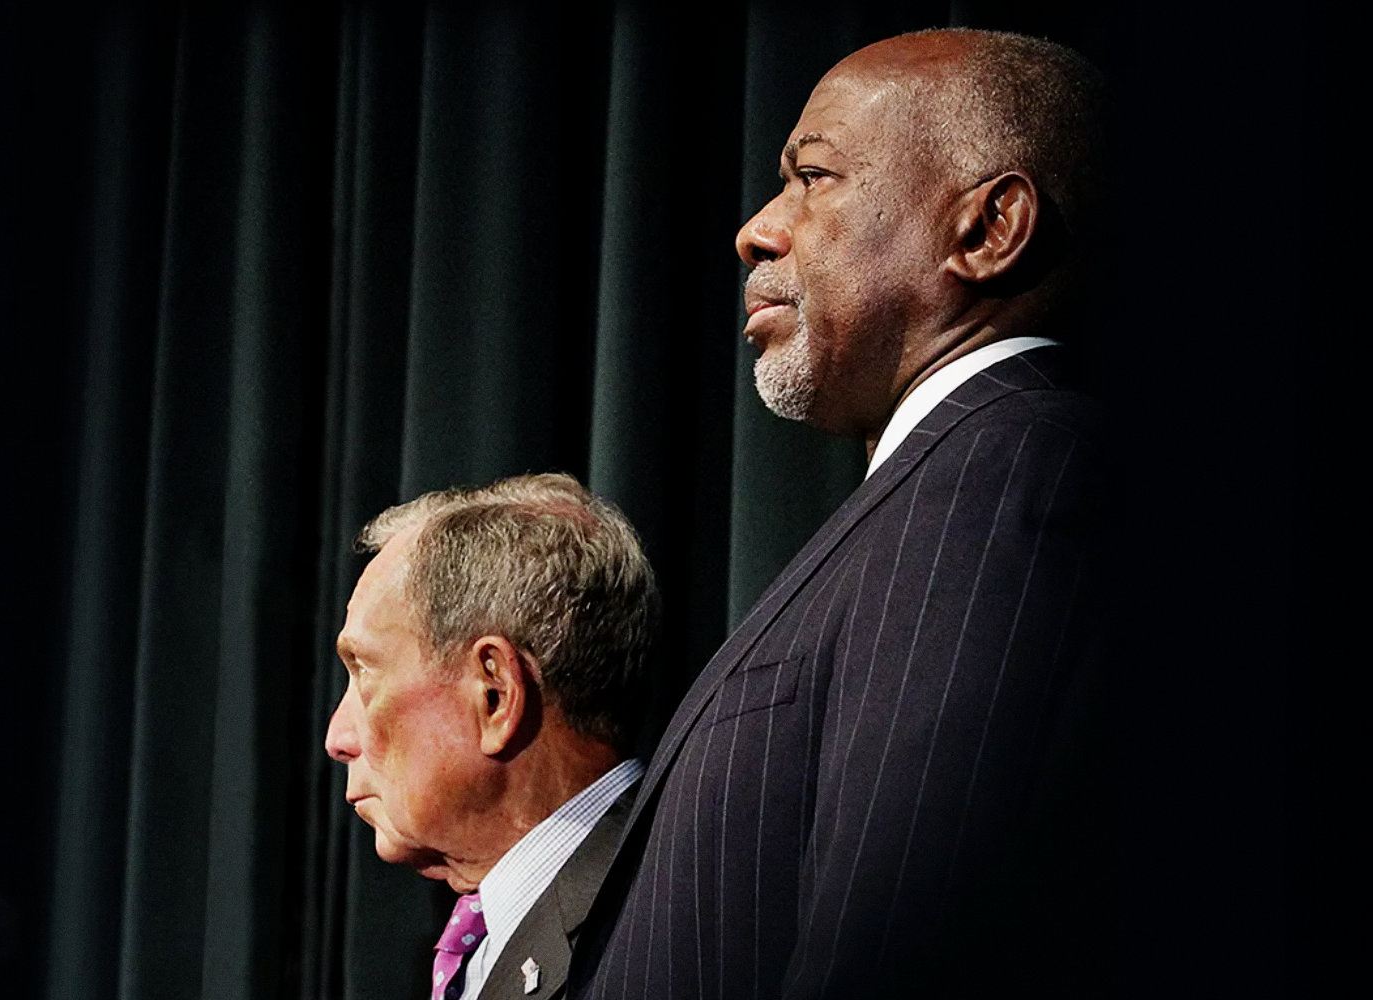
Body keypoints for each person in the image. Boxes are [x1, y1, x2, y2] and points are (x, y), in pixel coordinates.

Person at [576, 28, 1116, 998]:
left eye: (811, 176)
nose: (756, 228)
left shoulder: (1008, 476)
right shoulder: (945, 486)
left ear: (988, 229)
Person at [326, 473, 661, 1000]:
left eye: (364, 673)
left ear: (494, 695)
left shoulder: (665, 922)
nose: (338, 737)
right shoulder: (492, 937)